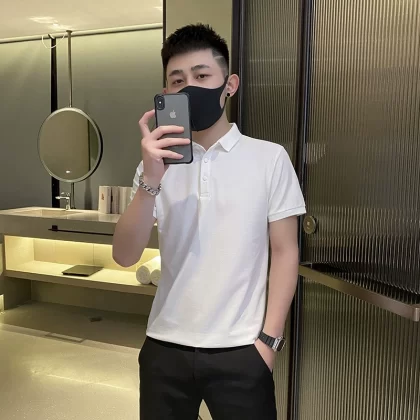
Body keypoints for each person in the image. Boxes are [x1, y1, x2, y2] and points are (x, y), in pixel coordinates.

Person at [112, 23, 306, 420]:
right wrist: (150, 181)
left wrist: (268, 342)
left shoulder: (269, 158)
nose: (189, 87)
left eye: (202, 76)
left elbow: (286, 252)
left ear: (229, 85)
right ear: (166, 93)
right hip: (164, 345)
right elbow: (124, 256)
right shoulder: (154, 166)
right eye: (177, 80)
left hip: (243, 349)